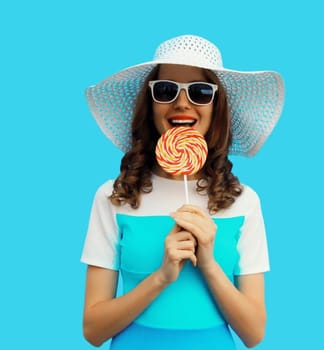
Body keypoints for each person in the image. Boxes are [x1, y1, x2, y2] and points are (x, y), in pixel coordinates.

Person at [80, 34, 285, 349]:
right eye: (165, 90)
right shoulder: (114, 196)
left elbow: (254, 334)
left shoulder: (243, 201)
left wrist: (208, 264)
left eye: (201, 92)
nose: (182, 103)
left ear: (217, 107)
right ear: (150, 105)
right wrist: (161, 276)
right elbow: (93, 330)